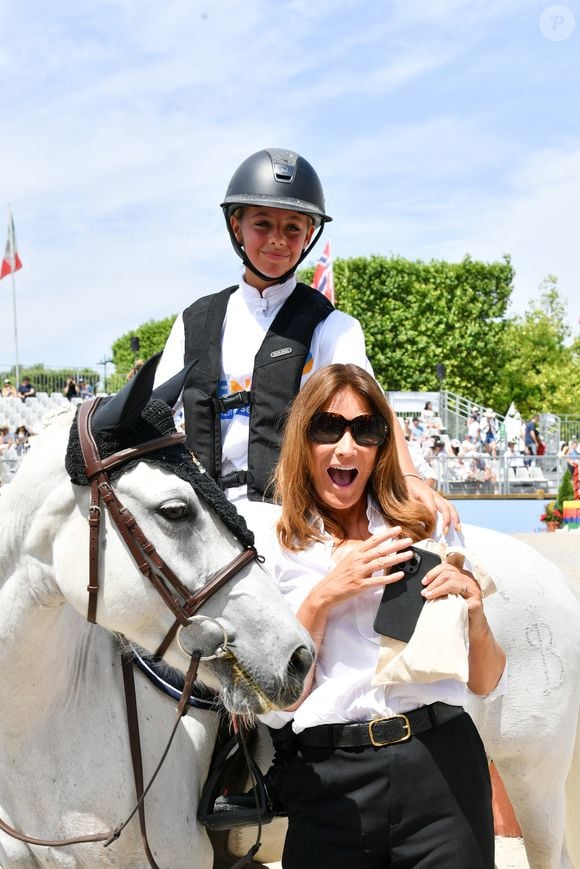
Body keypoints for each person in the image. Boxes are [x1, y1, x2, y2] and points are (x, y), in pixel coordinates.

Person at [259, 364, 505, 868]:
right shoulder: (274, 551)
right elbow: (277, 707)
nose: (346, 447)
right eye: (328, 428)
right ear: (302, 440)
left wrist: (475, 613)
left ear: (380, 447)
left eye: (365, 430)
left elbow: (486, 682)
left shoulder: (426, 524)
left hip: (442, 772)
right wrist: (322, 597)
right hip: (330, 785)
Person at [154, 147, 458, 533]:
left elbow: (375, 411)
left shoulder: (335, 327)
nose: (278, 240)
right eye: (262, 224)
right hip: (203, 519)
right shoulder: (193, 321)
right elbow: (155, 413)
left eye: (293, 228)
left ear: (309, 235)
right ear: (236, 227)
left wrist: (411, 477)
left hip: (292, 517)